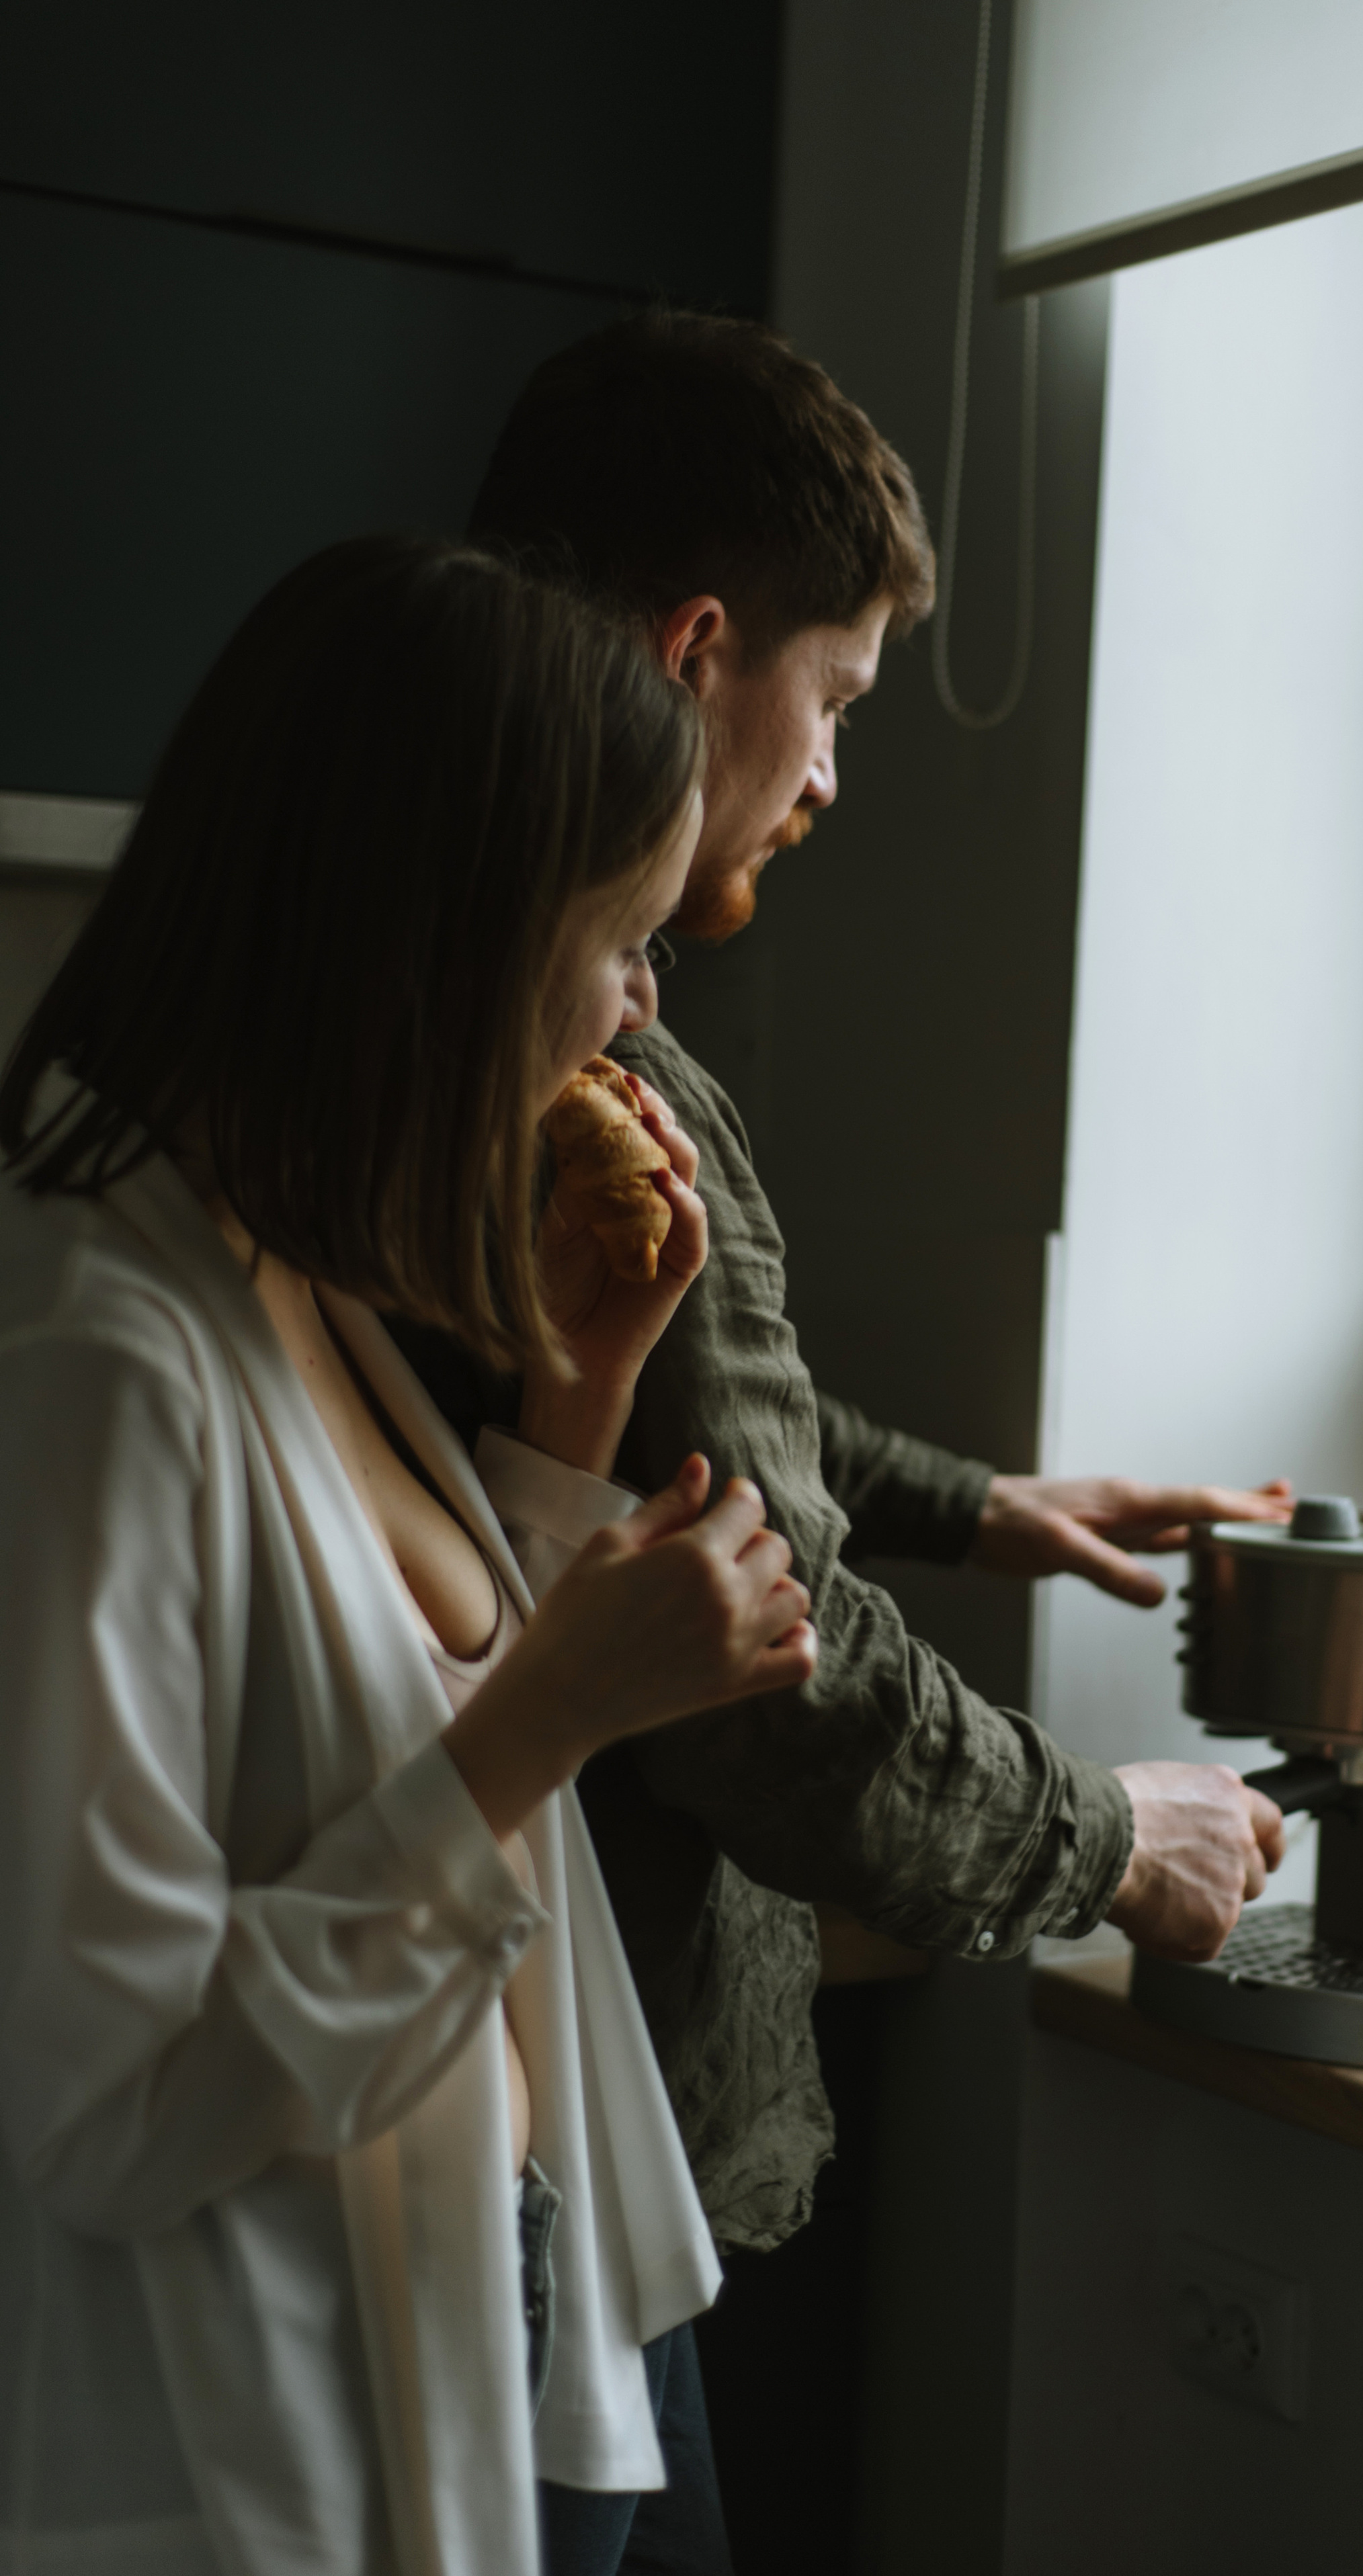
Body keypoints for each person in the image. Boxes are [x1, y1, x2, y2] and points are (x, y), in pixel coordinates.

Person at [429, 312, 1290, 2558]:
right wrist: (1116, 1834)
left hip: (531, 2105)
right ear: (697, 652)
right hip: (564, 2123)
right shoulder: (579, 1054)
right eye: (833, 700)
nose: (828, 776)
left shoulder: (445, 1006)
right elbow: (763, 1665)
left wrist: (985, 1503)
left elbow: (696, 1431)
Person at [0, 532, 817, 2576]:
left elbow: (366, 1745)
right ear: (443, 946)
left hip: (494, 2298)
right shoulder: (97, 1359)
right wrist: (562, 1709)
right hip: (272, 2426)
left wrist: (575, 1411)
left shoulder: (294, 1265)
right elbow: (106, 2100)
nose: (639, 1009)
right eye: (622, 940)